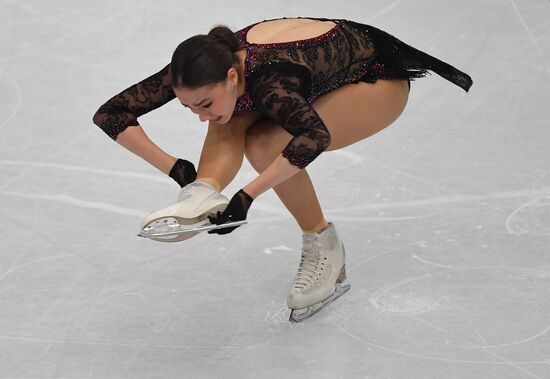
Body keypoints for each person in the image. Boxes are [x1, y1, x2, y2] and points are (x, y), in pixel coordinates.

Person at [93, 17, 472, 321]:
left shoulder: (269, 80)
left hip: (376, 81)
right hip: (303, 76)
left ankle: (324, 245)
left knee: (264, 141)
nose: (198, 116)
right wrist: (177, 169)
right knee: (228, 115)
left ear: (230, 76)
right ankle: (201, 190)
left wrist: (246, 196)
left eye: (203, 103)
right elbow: (110, 114)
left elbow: (313, 137)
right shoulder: (200, 68)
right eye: (189, 107)